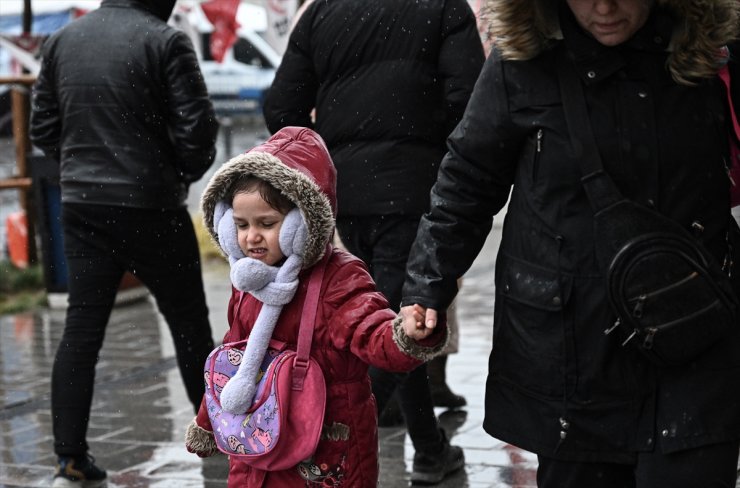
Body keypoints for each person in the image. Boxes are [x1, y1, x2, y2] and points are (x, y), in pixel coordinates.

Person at [399, 0, 740, 487]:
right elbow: (468, 180)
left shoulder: (713, 53)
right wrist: (426, 284)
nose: (604, 7)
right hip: (571, 353)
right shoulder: (522, 61)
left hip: (693, 336)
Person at [261, 0, 485, 482]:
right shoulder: (443, 7)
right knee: (393, 324)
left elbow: (282, 106)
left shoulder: (323, 10)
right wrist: (431, 155)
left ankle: (429, 448)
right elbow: (471, 103)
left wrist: (328, 160)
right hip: (417, 189)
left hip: (346, 193)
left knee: (389, 315)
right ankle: (324, 444)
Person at [184, 126, 447, 487]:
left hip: (323, 449)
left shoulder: (339, 279)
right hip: (256, 443)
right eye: (241, 225)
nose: (251, 237)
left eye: (267, 223)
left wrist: (406, 334)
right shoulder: (248, 280)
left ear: (302, 223)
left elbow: (371, 332)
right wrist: (208, 420)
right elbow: (233, 360)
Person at [28, 1, 220, 486]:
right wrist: (173, 173)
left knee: (81, 331)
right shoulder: (165, 40)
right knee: (189, 326)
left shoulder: (62, 42)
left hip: (83, 205)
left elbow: (44, 130)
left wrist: (82, 168)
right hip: (151, 204)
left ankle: (69, 456)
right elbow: (197, 131)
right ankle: (217, 440)